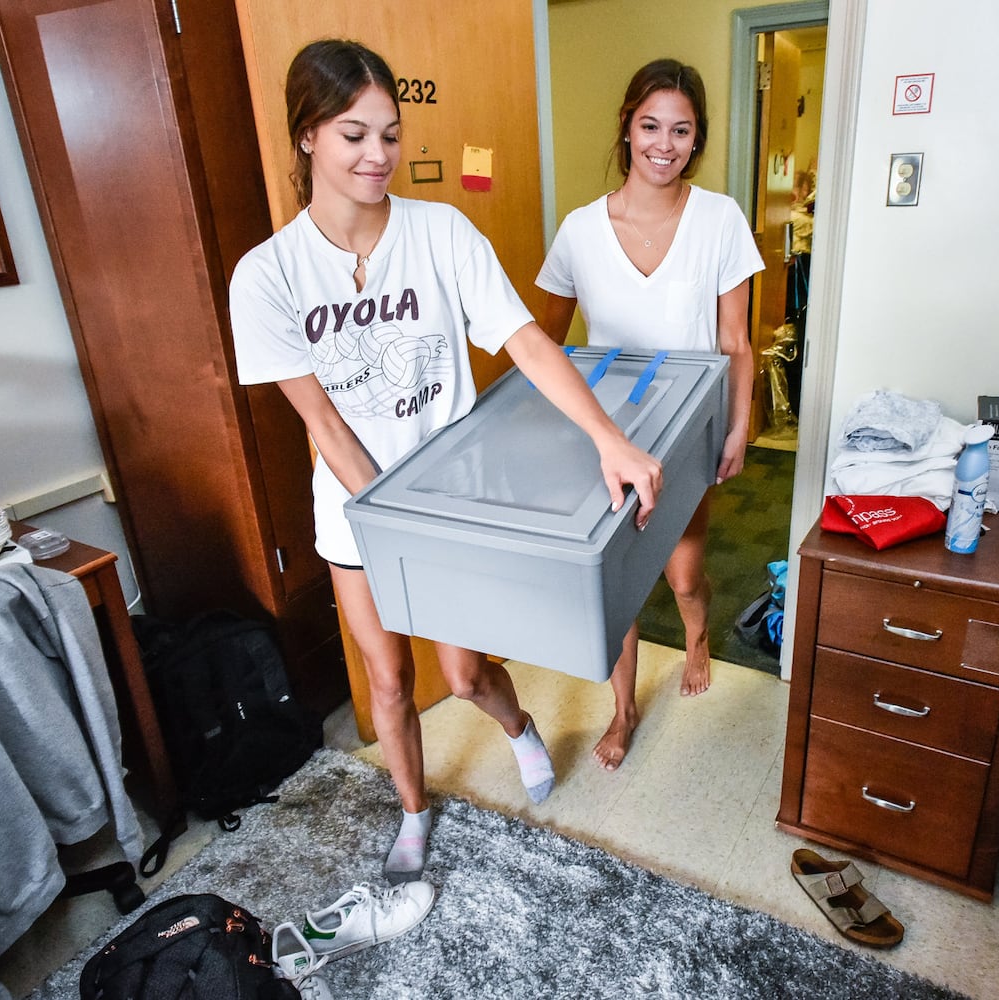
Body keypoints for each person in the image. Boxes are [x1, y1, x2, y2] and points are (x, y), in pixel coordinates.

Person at [229, 39, 663, 887]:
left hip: (457, 498)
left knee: (462, 674)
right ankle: (414, 812)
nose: (377, 156)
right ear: (307, 135)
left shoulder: (440, 232)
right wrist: (397, 526)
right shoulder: (266, 276)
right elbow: (322, 421)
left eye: (389, 134)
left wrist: (607, 436)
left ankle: (520, 728)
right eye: (353, 134)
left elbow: (527, 342)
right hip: (359, 514)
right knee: (389, 683)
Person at [536, 58, 762, 771]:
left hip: (686, 430)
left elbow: (735, 341)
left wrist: (738, 424)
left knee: (682, 575)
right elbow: (545, 346)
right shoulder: (578, 230)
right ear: (627, 130)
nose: (663, 144)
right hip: (609, 435)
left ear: (696, 140)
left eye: (681, 130)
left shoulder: (719, 218)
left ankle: (696, 640)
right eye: (650, 126)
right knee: (616, 585)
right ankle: (623, 710)